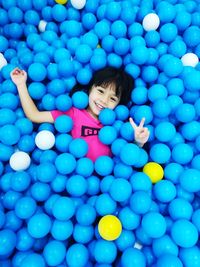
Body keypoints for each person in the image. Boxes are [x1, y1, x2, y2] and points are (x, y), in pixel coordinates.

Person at [10, 66, 150, 161]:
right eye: (100, 91)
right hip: (72, 173)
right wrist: (21, 84)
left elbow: (128, 156)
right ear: (90, 89)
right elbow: (34, 115)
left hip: (107, 181)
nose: (104, 100)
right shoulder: (73, 113)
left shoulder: (118, 125)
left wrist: (138, 141)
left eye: (112, 98)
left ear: (118, 104)